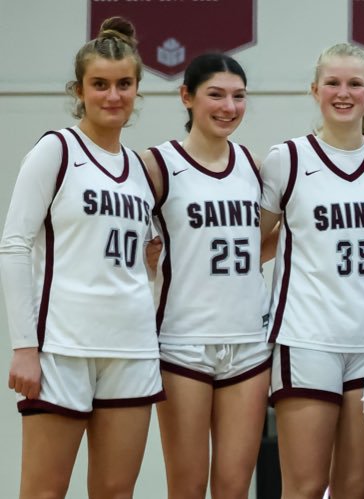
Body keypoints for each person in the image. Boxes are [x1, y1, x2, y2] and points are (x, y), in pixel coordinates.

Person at [2, 17, 162, 498]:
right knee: (44, 491)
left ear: (137, 88)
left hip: (131, 348)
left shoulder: (140, 168)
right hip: (63, 347)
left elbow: (142, 258)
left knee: (116, 492)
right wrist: (24, 346)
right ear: (79, 89)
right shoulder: (57, 149)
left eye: (123, 84)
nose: (112, 96)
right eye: (100, 85)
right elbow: (14, 244)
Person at [260, 43, 364, 499]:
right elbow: (257, 243)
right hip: (306, 338)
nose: (344, 93)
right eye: (334, 83)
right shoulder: (287, 158)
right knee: (304, 487)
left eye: (355, 84)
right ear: (315, 90)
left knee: (356, 488)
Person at [141, 52, 274, 499]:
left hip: (248, 343)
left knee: (235, 489)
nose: (228, 107)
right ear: (186, 97)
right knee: (188, 487)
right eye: (215, 95)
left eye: (238, 97)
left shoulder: (253, 167)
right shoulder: (156, 165)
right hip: (183, 342)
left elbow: (262, 242)